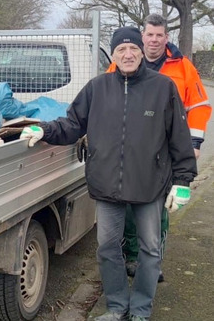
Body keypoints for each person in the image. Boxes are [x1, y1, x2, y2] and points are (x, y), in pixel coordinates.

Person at [20, 26, 197, 321]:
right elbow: (73, 123)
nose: (128, 55)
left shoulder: (163, 88)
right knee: (107, 248)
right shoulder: (97, 88)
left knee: (150, 250)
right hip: (106, 184)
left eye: (133, 49)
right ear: (113, 56)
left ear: (141, 51)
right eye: (121, 50)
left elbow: (179, 136)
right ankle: (116, 307)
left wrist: (182, 181)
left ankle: (140, 310)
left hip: (149, 184)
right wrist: (44, 129)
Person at [106, 14, 211, 281]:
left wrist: (194, 143)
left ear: (166, 37)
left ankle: (152, 261)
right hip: (129, 150)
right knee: (128, 207)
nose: (153, 40)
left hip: (165, 150)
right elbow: (107, 97)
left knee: (158, 209)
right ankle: (131, 258)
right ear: (143, 36)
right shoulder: (124, 61)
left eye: (159, 35)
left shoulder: (182, 67)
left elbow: (199, 106)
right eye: (149, 34)